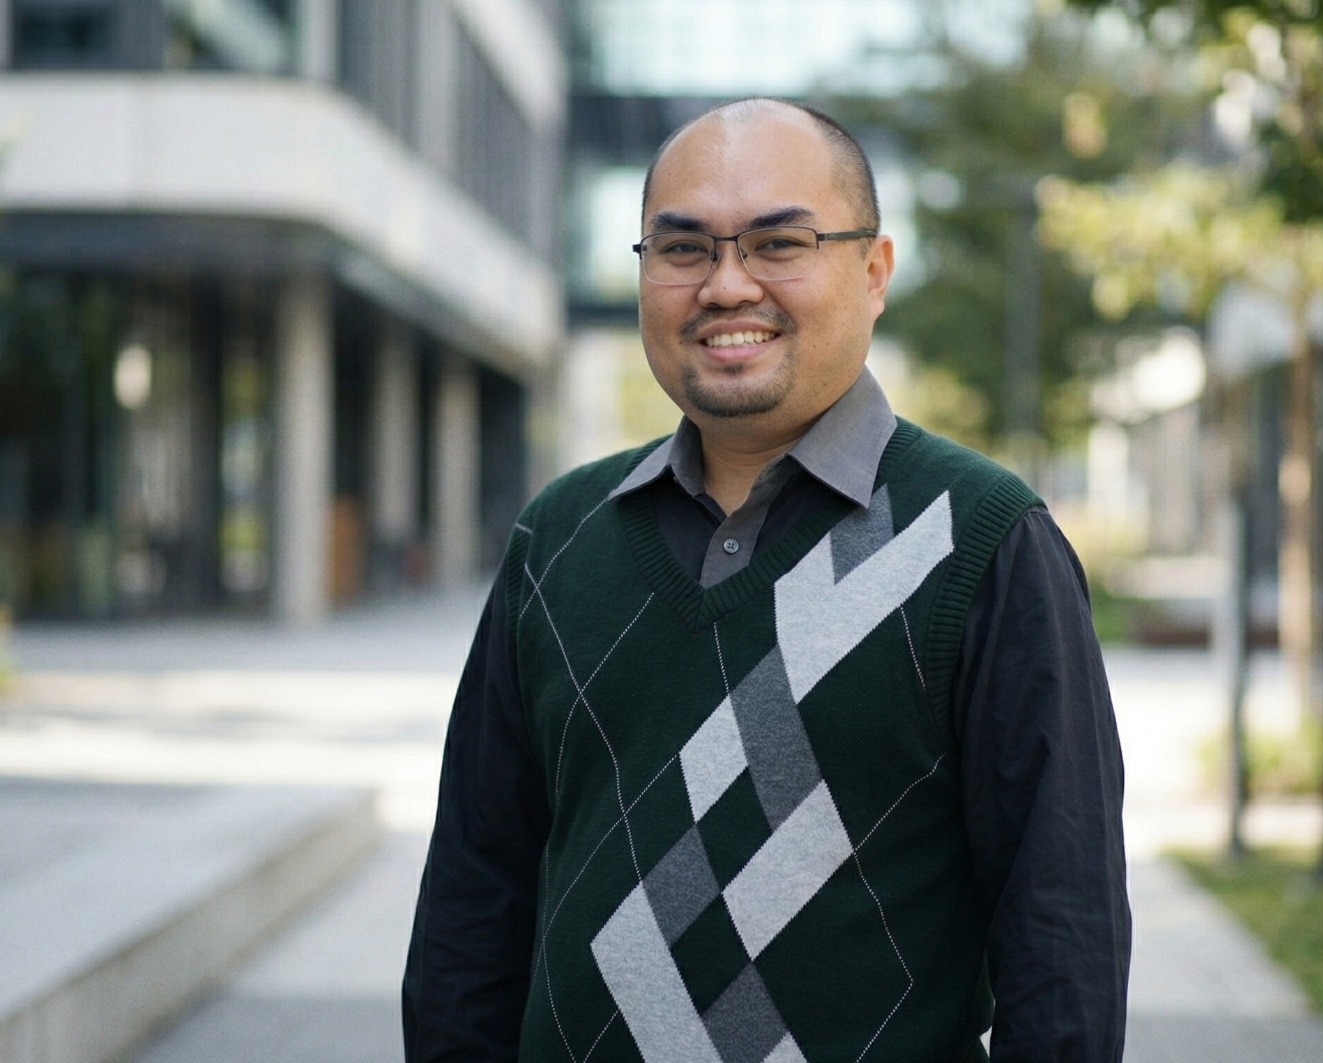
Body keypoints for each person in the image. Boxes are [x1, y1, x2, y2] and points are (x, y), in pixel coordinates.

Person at [403, 97, 1130, 1062]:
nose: (726, 285)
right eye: (683, 248)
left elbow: (1062, 940)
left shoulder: (984, 540)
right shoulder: (558, 539)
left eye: (779, 242)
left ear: (873, 271)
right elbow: (472, 898)